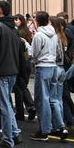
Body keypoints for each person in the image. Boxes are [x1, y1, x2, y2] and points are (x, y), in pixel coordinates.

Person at [0, 0, 23, 148]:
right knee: (8, 102)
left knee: (4, 106)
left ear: (0, 11)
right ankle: (14, 133)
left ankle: (8, 140)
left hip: (1, 70)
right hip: (13, 69)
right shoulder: (14, 28)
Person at [29, 11, 68, 141]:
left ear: (37, 21)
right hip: (53, 66)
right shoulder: (54, 34)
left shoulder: (39, 35)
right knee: (53, 98)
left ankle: (44, 130)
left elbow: (34, 54)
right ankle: (60, 126)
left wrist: (27, 46)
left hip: (43, 67)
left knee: (42, 100)